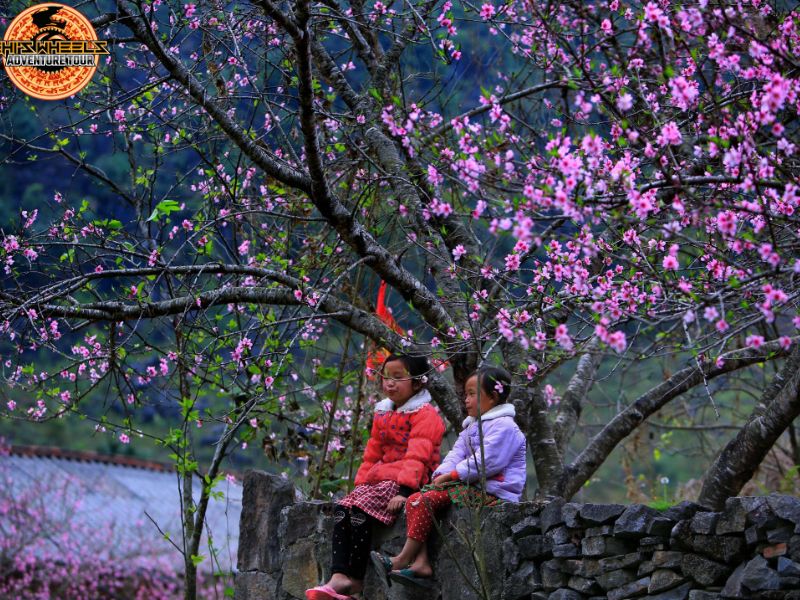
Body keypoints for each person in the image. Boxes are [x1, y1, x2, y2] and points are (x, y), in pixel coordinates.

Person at [371, 366, 526, 589]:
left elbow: (487, 462)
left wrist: (453, 475)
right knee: (417, 499)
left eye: (473, 394)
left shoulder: (505, 427)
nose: (466, 400)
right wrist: (442, 474)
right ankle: (421, 563)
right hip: (471, 486)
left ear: (493, 397)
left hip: (494, 492)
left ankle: (401, 559)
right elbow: (455, 454)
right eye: (465, 394)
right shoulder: (472, 427)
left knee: (425, 500)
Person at [305, 353, 446, 600]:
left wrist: (404, 492)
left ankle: (355, 579)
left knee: (360, 510)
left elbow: (418, 456)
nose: (389, 383)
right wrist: (360, 485)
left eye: (398, 377)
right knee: (342, 508)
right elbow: (372, 453)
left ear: (416, 383)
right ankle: (338, 575)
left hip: (411, 479)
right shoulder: (383, 412)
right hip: (381, 479)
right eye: (386, 377)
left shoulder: (425, 414)